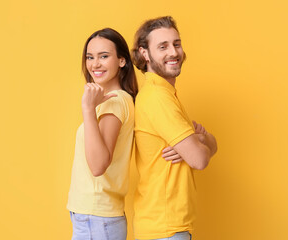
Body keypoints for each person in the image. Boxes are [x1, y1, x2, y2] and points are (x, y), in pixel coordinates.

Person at [131, 16, 218, 240]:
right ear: (144, 53)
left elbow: (210, 145)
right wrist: (197, 143)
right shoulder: (158, 97)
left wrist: (199, 141)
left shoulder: (166, 94)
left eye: (176, 43)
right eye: (163, 46)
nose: (173, 52)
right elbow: (200, 159)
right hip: (165, 228)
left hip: (167, 225)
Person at [67, 28, 138, 240]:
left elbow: (98, 165)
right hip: (96, 217)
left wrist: (87, 110)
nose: (94, 64)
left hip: (96, 216)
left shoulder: (114, 102)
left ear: (122, 61)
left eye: (104, 56)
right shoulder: (115, 100)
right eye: (90, 57)